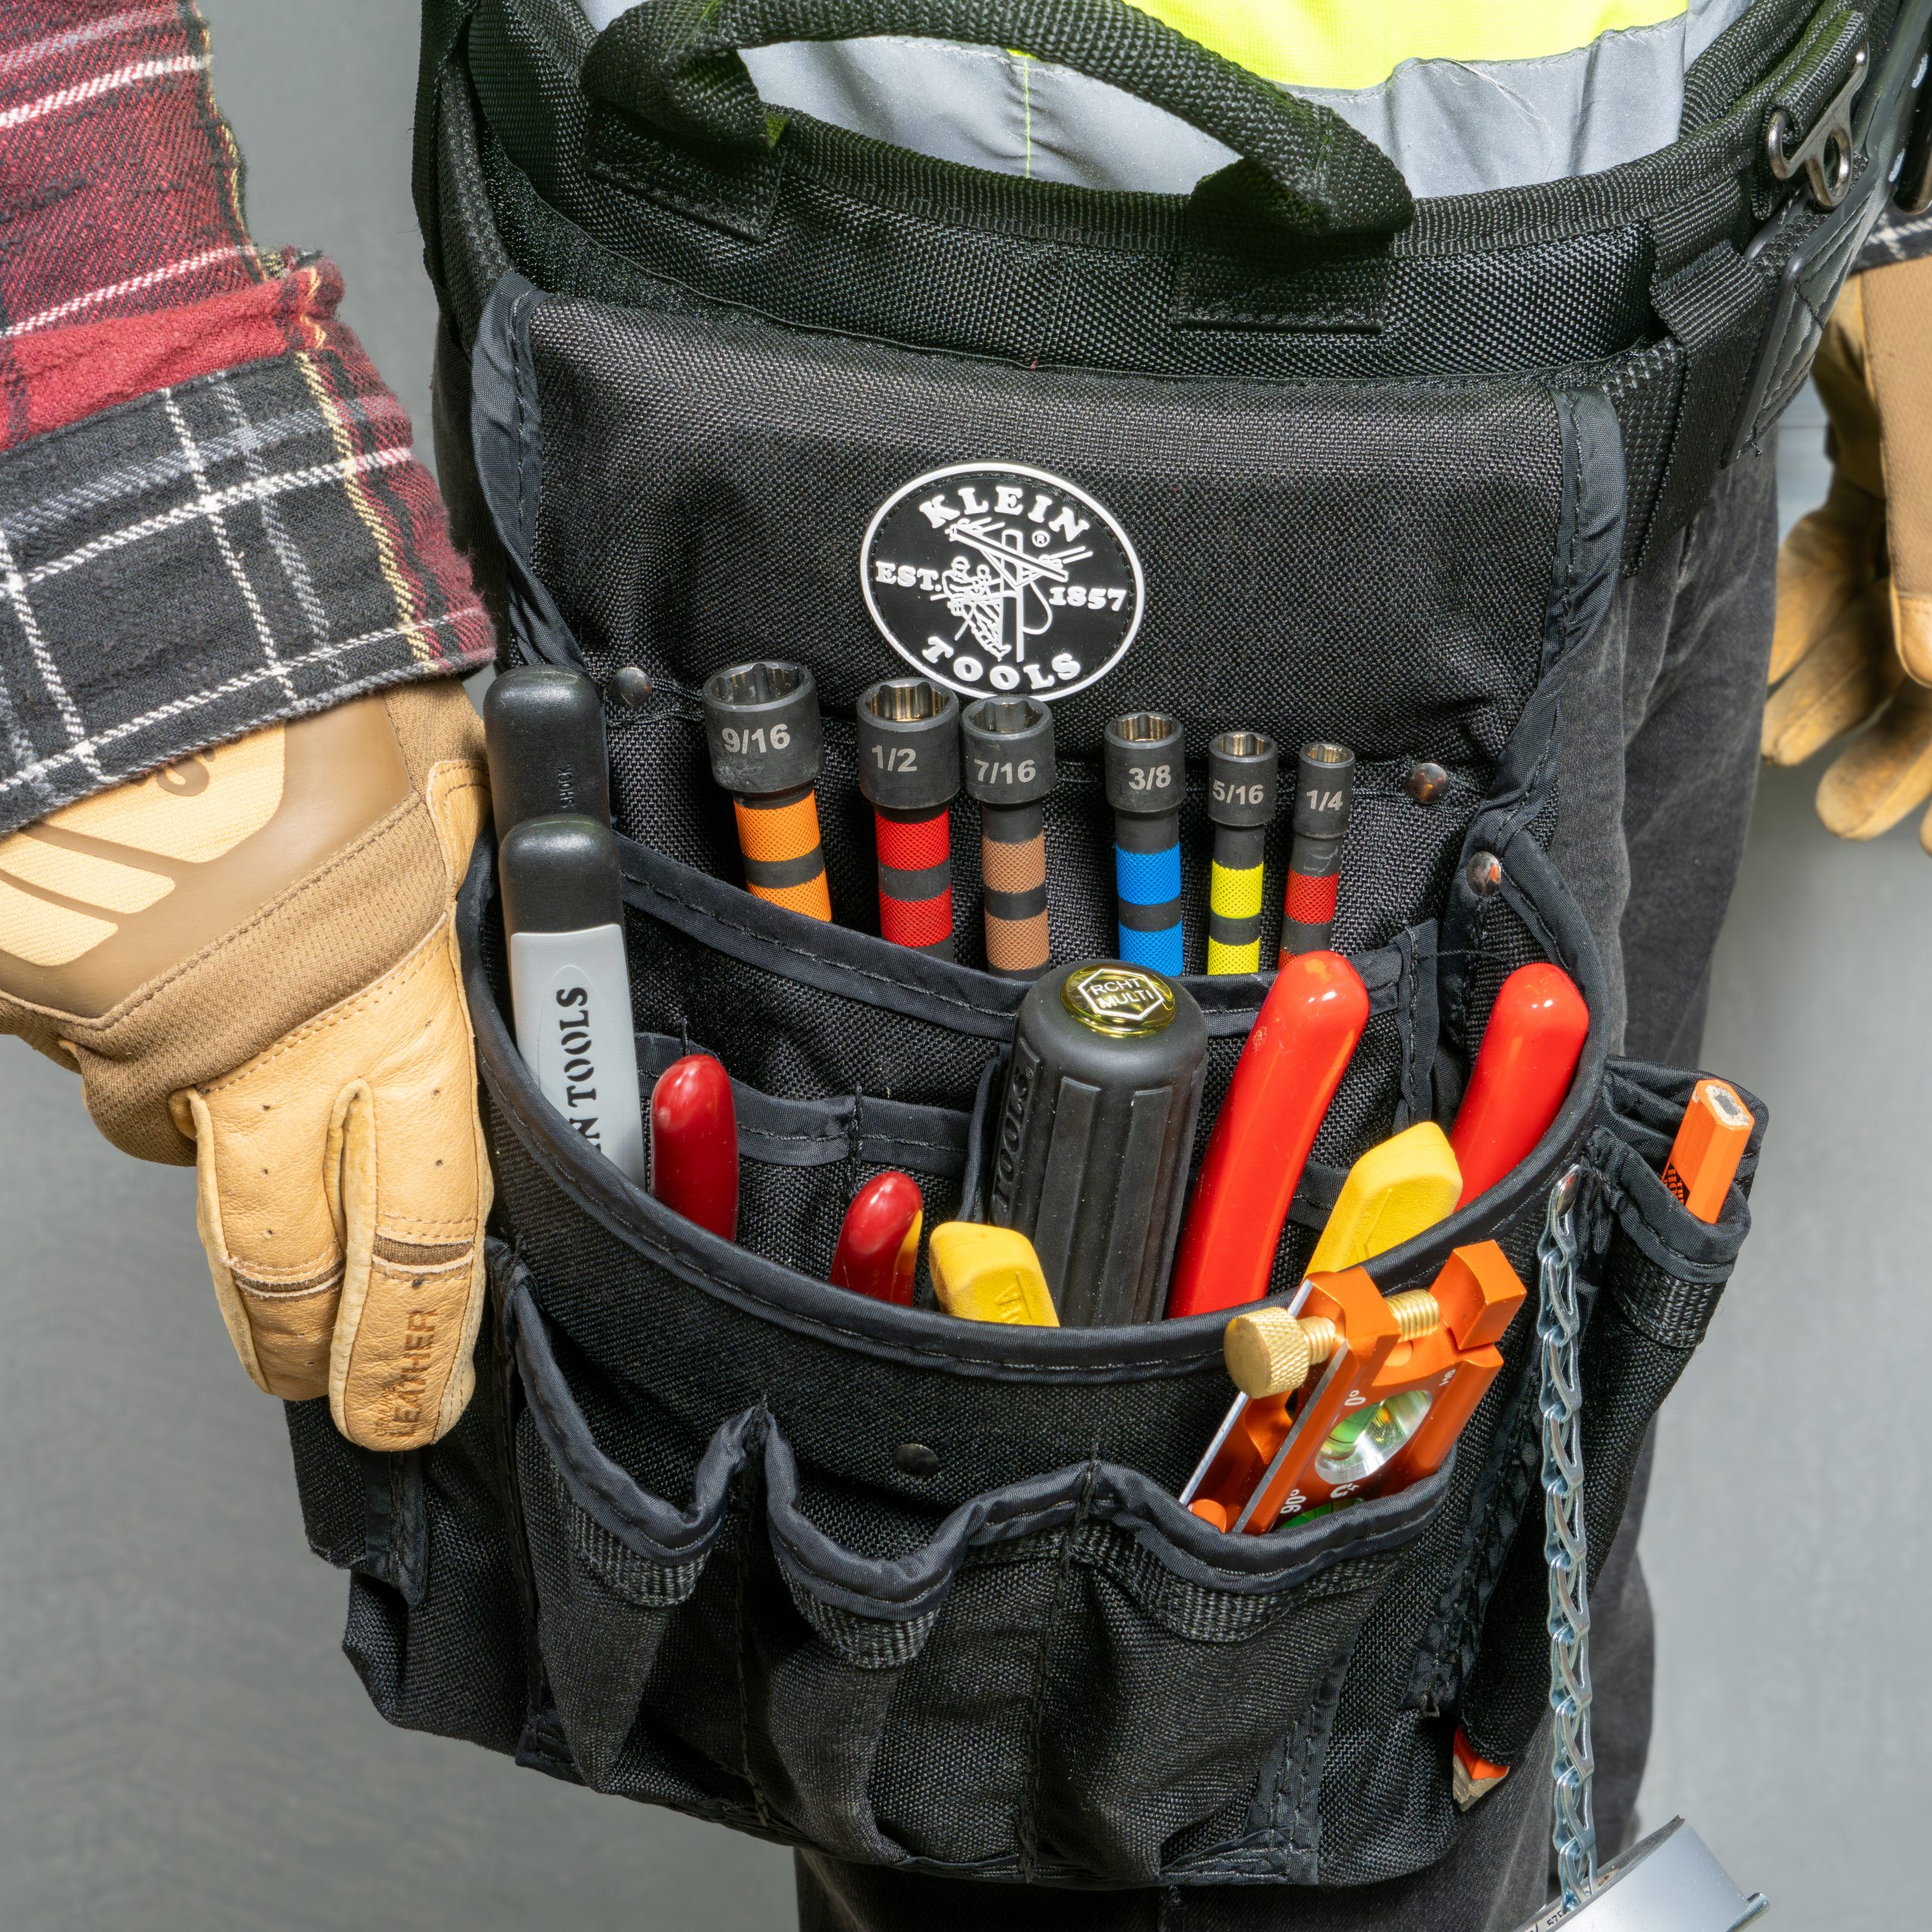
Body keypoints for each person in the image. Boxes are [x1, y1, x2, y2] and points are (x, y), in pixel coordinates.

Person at [0, 5, 1924, 1927]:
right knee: (1148, 1754)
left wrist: (1889, 179)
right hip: (822, 320)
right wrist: (134, 546)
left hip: (1670, 247)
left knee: (1489, 1615)